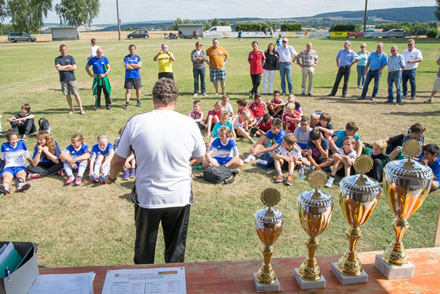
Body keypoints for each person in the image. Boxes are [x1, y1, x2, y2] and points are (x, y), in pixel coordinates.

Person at [106, 77, 205, 265]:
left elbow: (118, 159)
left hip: (148, 198)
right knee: (175, 251)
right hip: (179, 196)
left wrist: (110, 178)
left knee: (144, 251)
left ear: (153, 98)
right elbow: (201, 156)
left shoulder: (136, 122)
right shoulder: (189, 123)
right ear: (175, 99)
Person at [55, 44, 86, 115]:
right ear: (60, 50)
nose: (63, 51)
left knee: (76, 93)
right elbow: (58, 68)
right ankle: (71, 109)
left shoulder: (70, 57)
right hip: (63, 79)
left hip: (71, 79)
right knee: (67, 94)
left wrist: (63, 68)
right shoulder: (57, 59)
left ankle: (81, 109)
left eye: (65, 50)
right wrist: (68, 66)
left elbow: (74, 67)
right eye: (62, 50)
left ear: (66, 50)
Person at [1, 129, 32, 194]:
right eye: (12, 139)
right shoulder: (4, 146)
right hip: (8, 167)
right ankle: (5, 187)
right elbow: (3, 159)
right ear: (8, 140)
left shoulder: (22, 144)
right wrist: (4, 168)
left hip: (20, 166)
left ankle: (21, 185)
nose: (15, 141)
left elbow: (27, 157)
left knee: (21, 174)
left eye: (16, 138)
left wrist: (33, 165)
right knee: (6, 176)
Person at [123, 44, 143, 109]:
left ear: (135, 49)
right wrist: (135, 66)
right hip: (128, 77)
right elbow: (126, 66)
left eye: (133, 49)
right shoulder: (126, 57)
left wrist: (131, 64)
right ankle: (127, 103)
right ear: (129, 50)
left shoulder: (138, 57)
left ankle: (138, 101)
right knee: (128, 90)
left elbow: (139, 66)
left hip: (137, 76)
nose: (132, 50)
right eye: (131, 49)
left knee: (138, 89)